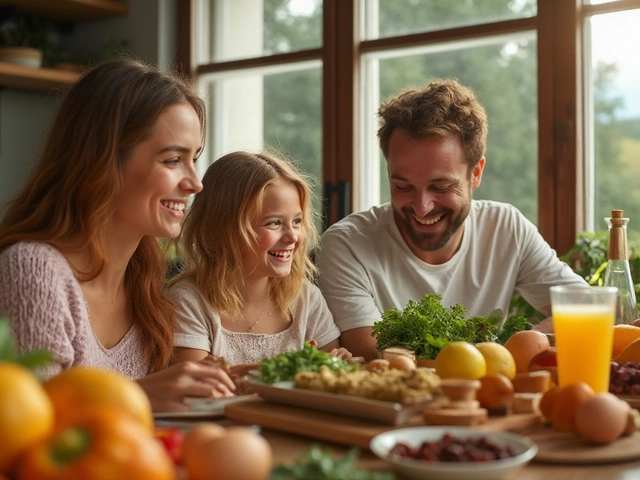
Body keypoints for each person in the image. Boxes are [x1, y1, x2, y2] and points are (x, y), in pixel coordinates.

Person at [0, 58, 235, 412]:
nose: (195, 183)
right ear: (103, 161)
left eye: (195, 159)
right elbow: (25, 433)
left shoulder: (142, 278)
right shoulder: (33, 270)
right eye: (173, 160)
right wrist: (139, 398)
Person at [316, 78, 587, 361]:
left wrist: (521, 346)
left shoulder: (506, 228)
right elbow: (371, 354)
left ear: (476, 173)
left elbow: (585, 307)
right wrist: (497, 359)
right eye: (403, 187)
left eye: (442, 187)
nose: (422, 208)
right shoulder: (347, 245)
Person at [168, 150, 353, 375]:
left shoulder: (306, 298)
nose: (292, 237)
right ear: (224, 230)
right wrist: (291, 370)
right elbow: (196, 387)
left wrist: (339, 365)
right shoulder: (188, 302)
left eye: (296, 221)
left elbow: (330, 378)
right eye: (274, 223)